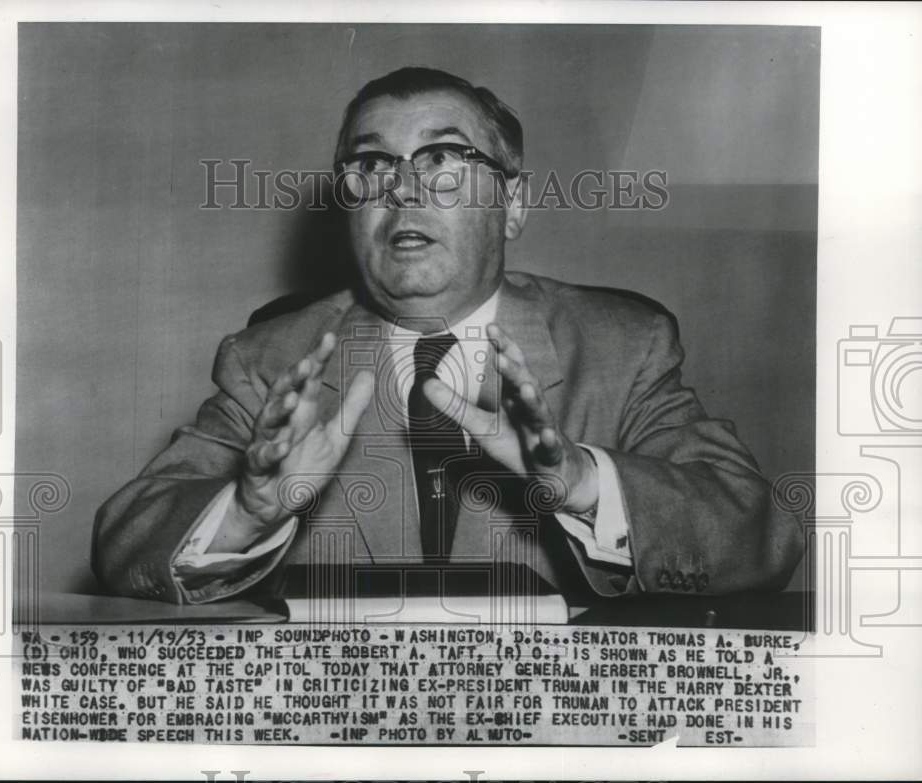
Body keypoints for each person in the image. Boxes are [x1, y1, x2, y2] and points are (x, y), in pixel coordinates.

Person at [92, 66, 802, 606]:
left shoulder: (621, 344)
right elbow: (125, 538)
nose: (402, 192)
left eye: (442, 162)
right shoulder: (272, 357)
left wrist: (588, 484)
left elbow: (761, 533)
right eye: (372, 166)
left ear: (513, 205)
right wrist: (245, 515)